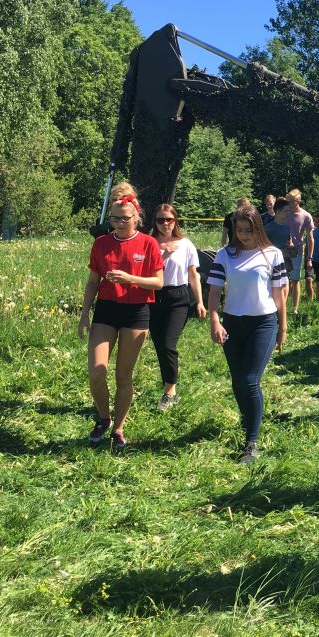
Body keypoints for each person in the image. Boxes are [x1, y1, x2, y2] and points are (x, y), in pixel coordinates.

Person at [79, 189, 164, 449]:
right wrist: (84, 313)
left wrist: (130, 279)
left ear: (137, 217)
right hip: (106, 310)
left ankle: (118, 428)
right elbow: (93, 281)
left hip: (136, 311)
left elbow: (158, 283)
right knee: (97, 371)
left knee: (123, 375)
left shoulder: (148, 243)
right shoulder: (101, 243)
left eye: (125, 218)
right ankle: (103, 417)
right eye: (115, 219)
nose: (120, 223)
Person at [206, 205, 288, 463]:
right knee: (238, 380)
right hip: (232, 323)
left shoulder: (272, 254)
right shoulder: (225, 255)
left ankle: (251, 442)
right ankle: (248, 418)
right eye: (239, 230)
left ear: (258, 229)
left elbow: (279, 295)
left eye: (248, 230)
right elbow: (215, 291)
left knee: (250, 380)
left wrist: (282, 327)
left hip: (263, 323)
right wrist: (214, 321)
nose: (243, 235)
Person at [150, 204, 206, 411]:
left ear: (175, 221)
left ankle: (170, 393)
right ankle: (167, 383)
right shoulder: (149, 243)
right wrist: (164, 255)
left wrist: (199, 301)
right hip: (154, 296)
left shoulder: (185, 244)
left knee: (168, 344)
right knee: (159, 345)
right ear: (155, 222)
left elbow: (193, 275)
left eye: (169, 220)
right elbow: (145, 271)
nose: (165, 224)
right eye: (160, 220)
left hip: (178, 298)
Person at [284, 188, 315, 315]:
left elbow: (311, 239)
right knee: (282, 280)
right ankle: (282, 307)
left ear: (298, 201)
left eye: (292, 201)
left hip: (297, 251)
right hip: (282, 250)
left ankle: (294, 309)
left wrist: (309, 258)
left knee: (295, 280)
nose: (289, 204)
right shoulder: (284, 213)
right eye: (288, 201)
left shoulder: (306, 216)